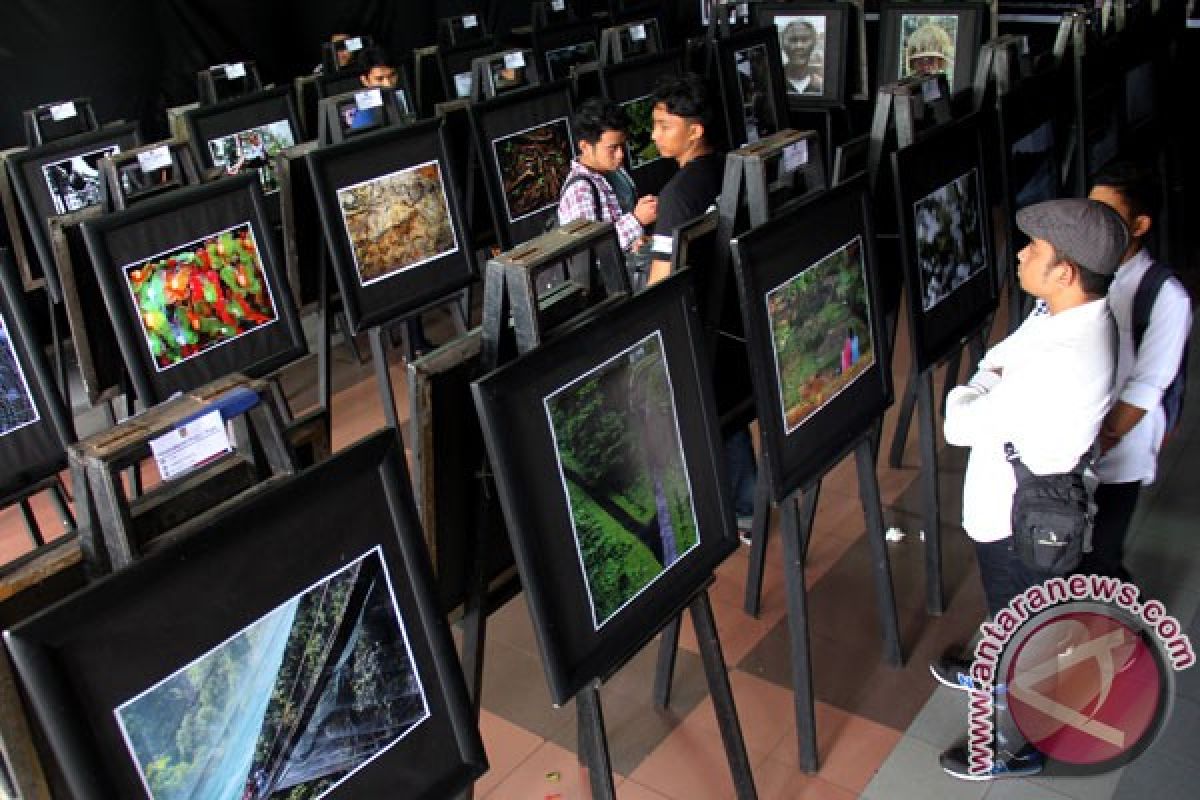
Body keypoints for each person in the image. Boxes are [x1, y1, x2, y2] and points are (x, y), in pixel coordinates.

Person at [930, 198, 1129, 780]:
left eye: (1034, 250)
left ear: (1065, 271)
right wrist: (992, 378)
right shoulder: (1064, 314)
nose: (1020, 254)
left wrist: (979, 386)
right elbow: (998, 358)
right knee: (1014, 619)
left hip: (1021, 521)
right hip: (1019, 505)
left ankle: (1022, 745)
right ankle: (995, 673)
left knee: (1026, 632)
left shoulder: (1065, 353)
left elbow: (960, 423)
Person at [645, 73, 758, 540]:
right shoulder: (730, 168)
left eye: (664, 125)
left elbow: (660, 281)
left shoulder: (677, 197)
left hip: (696, 324)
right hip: (734, 312)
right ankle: (747, 502)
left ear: (695, 131)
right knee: (726, 407)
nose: (654, 136)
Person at [1083, 163, 1192, 579]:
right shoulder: (1081, 271)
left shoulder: (1165, 296)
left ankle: (1119, 630)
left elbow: (1148, 384)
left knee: (1102, 554)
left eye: (1108, 216)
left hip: (1118, 447)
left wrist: (1100, 442)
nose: (1095, 226)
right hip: (1077, 442)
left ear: (1140, 224)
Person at [556, 98, 657, 261]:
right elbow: (590, 255)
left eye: (622, 145)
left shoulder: (615, 171)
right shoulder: (579, 191)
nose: (621, 154)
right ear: (585, 147)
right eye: (612, 148)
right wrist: (637, 220)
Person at [779, 18, 823, 95]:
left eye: (805, 40)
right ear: (783, 45)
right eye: (793, 40)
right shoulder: (773, 82)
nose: (799, 46)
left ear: (814, 45)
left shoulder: (821, 85)